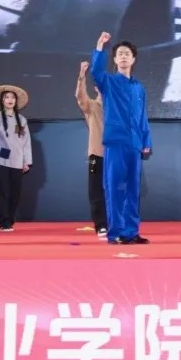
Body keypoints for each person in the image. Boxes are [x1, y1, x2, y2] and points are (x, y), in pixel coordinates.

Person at [90, 31, 152, 245]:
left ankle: (131, 232)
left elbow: (142, 115)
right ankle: (115, 232)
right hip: (115, 141)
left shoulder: (138, 87)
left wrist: (146, 140)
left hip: (134, 143)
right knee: (115, 187)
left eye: (127, 54)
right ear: (115, 60)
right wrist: (100, 47)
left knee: (133, 189)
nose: (124, 56)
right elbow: (96, 72)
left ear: (133, 59)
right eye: (120, 54)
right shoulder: (108, 82)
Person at [0, 85, 33, 232]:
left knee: (15, 193)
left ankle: (10, 219)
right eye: (7, 97)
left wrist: (26, 161)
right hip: (0, 159)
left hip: (17, 160)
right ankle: (4, 221)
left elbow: (25, 141)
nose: (10, 100)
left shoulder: (22, 120)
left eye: (13, 97)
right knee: (3, 192)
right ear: (2, 100)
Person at [76, 61, 108, 237]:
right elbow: (80, 97)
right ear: (96, 88)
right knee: (96, 190)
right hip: (97, 154)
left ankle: (116, 222)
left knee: (116, 190)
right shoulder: (92, 106)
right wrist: (82, 75)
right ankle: (101, 224)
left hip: (115, 154)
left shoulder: (116, 108)